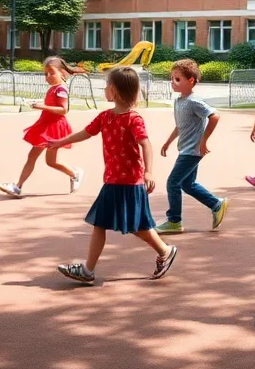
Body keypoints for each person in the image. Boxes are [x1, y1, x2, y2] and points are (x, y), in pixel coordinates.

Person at [50, 66, 178, 283]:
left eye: (106, 86)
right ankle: (90, 270)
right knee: (114, 223)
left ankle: (163, 251)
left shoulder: (133, 119)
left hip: (129, 181)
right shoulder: (105, 117)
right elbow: (85, 133)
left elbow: (145, 144)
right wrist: (60, 142)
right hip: (112, 180)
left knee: (136, 226)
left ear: (115, 91)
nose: (104, 90)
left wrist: (148, 172)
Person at [155, 59, 228, 234]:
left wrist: (204, 141)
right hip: (186, 149)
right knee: (187, 184)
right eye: (171, 78)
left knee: (172, 182)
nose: (173, 82)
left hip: (192, 151)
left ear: (191, 81)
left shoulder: (194, 102)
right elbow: (180, 126)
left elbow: (215, 115)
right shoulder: (179, 102)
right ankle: (216, 204)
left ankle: (174, 221)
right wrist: (168, 142)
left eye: (177, 79)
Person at [0, 57, 83, 198]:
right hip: (46, 125)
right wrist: (40, 104)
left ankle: (17, 187)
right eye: (45, 74)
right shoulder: (53, 89)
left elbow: (63, 109)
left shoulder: (61, 89)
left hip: (53, 128)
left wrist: (42, 106)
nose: (48, 77)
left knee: (35, 157)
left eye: (51, 73)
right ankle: (74, 174)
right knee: (50, 162)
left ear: (62, 72)